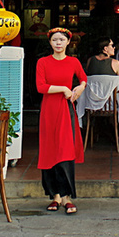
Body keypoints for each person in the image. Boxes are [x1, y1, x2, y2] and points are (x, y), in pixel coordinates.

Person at [36, 27, 86, 215]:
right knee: (49, 150)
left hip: (65, 111)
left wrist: (79, 88)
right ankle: (55, 195)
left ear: (68, 42)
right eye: (55, 40)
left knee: (65, 151)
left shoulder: (73, 62)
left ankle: (67, 197)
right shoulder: (43, 62)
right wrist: (63, 89)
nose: (58, 43)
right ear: (50, 42)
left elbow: (83, 78)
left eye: (61, 40)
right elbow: (40, 87)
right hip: (49, 110)